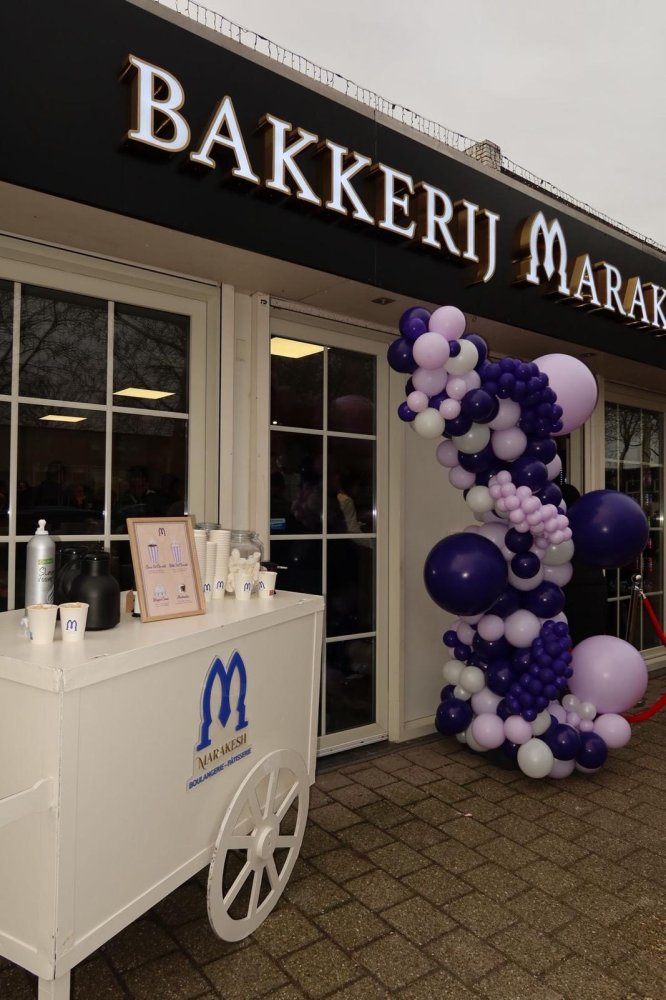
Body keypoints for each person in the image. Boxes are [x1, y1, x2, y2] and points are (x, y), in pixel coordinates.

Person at [561, 483, 609, 646]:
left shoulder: (558, 527)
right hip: (594, 585)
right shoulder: (591, 523)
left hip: (573, 587)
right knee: (590, 642)